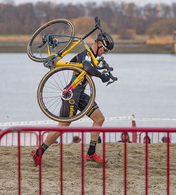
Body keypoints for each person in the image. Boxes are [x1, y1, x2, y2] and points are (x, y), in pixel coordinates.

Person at [31, 32, 114, 166]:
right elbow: (87, 67)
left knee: (99, 119)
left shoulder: (92, 56)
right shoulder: (86, 53)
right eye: (105, 49)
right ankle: (38, 152)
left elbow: (90, 68)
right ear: (99, 44)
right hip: (72, 94)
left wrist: (105, 73)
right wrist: (101, 76)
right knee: (63, 126)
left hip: (80, 94)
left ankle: (91, 153)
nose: (106, 52)